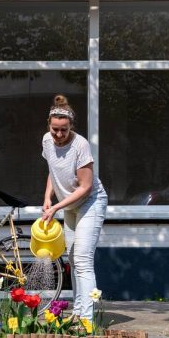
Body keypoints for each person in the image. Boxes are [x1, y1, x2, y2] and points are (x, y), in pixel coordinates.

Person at [40, 94, 108, 321]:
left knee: (83, 260)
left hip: (90, 202)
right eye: (55, 129)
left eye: (64, 130)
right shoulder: (47, 141)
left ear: (71, 127)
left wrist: (57, 206)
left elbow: (86, 187)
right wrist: (47, 198)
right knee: (72, 259)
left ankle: (87, 320)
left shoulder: (80, 145)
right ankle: (78, 312)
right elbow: (53, 169)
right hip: (68, 205)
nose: (59, 135)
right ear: (49, 125)